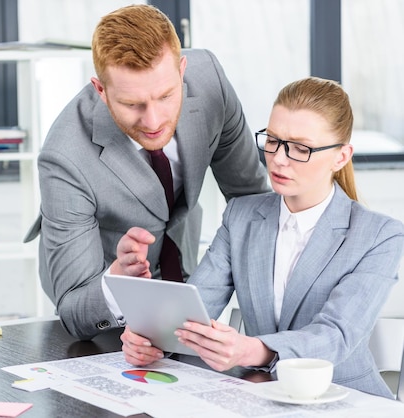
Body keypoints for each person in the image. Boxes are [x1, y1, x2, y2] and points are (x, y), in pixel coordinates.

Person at [117, 76, 404, 398]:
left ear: (341, 156)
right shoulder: (241, 216)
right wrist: (151, 339)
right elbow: (195, 309)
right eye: (273, 140)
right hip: (259, 394)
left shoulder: (380, 235)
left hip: (348, 398)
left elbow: (336, 335)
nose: (279, 158)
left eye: (300, 148)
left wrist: (253, 351)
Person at [23, 4, 269, 340]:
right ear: (101, 91)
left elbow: (250, 200)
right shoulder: (65, 156)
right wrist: (115, 280)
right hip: (103, 300)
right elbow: (74, 309)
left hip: (182, 265)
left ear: (182, 70)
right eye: (131, 104)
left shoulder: (209, 79)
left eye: (166, 96)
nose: (153, 122)